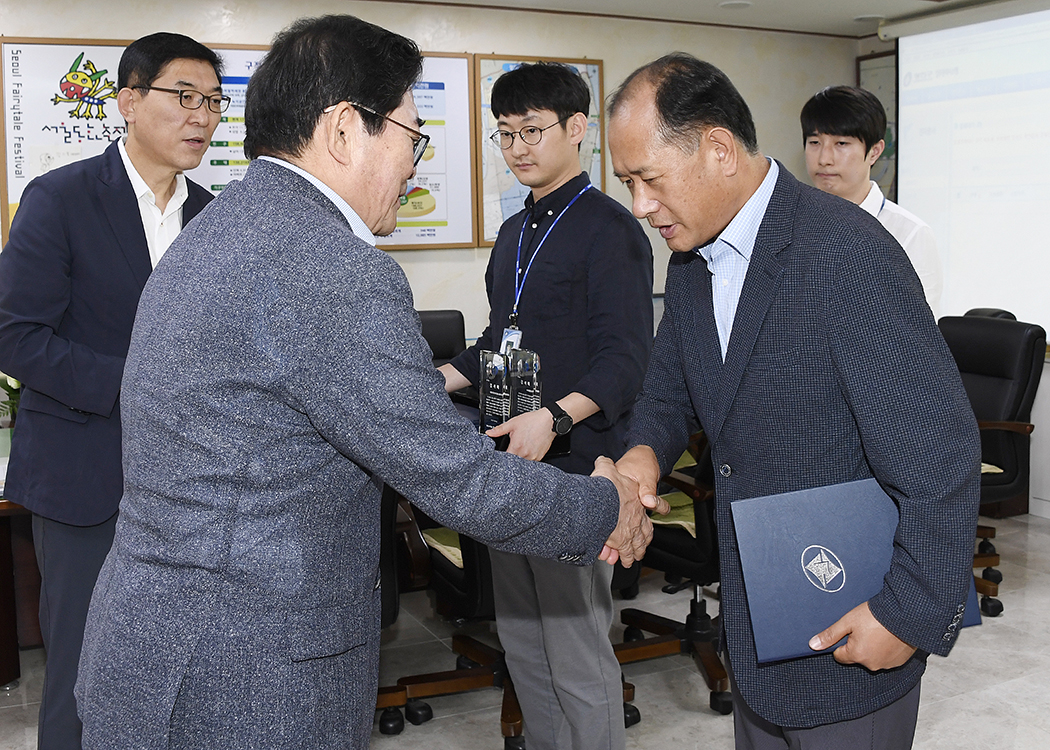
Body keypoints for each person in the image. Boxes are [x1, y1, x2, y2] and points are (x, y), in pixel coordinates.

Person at [73, 16, 663, 750]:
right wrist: (606, 505)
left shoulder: (214, 232)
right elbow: (458, 480)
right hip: (249, 677)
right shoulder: (332, 269)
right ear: (346, 129)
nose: (414, 163)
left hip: (152, 648)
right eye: (412, 138)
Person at [607, 54, 980, 750]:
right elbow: (670, 386)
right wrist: (642, 454)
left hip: (853, 633)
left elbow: (942, 454)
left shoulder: (844, 254)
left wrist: (909, 615)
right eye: (628, 183)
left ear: (718, 149)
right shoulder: (691, 260)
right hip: (758, 627)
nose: (640, 206)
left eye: (649, 180)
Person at [0, 32, 225, 750]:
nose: (202, 117)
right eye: (184, 97)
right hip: (84, 478)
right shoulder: (61, 198)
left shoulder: (215, 217)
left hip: (194, 488)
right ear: (129, 100)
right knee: (81, 676)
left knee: (182, 673)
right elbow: (15, 333)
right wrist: (139, 387)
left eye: (215, 102)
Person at [439, 63, 653, 750]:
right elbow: (498, 345)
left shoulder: (611, 230)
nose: (519, 147)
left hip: (576, 468)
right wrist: (425, 379)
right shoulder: (516, 234)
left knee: (575, 647)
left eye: (532, 130)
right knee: (523, 641)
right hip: (511, 464)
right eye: (505, 135)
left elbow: (626, 358)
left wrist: (556, 417)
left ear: (577, 129)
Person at [801, 85, 942, 314]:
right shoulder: (792, 226)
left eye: (841, 144)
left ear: (875, 152)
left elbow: (918, 335)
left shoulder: (909, 234)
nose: (824, 158)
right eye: (815, 143)